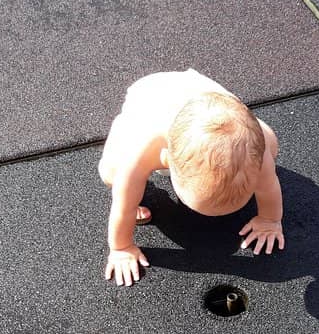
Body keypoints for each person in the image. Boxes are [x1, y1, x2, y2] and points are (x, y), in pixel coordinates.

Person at [98, 69, 284, 286]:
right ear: (168, 161)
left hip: (208, 99)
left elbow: (269, 187)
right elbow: (123, 206)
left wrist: (270, 220)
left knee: (267, 140)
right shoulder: (148, 148)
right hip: (150, 97)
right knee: (113, 172)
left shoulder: (257, 154)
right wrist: (121, 248)